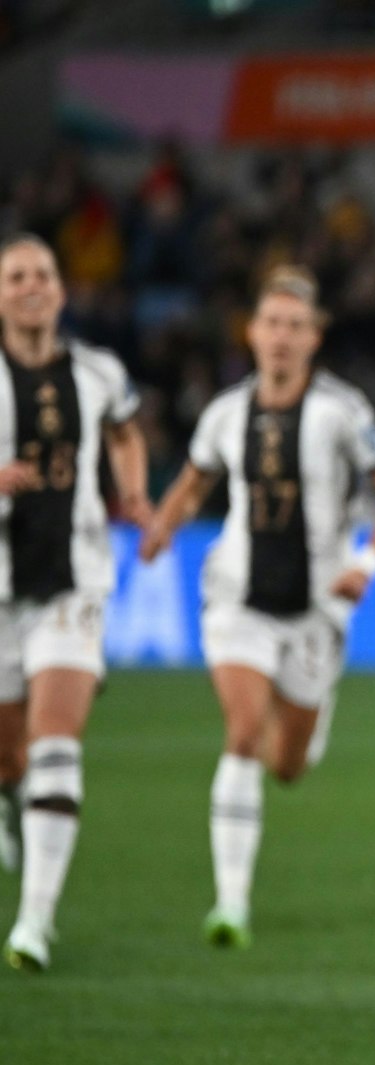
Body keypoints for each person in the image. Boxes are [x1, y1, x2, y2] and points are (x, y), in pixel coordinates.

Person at [139, 266, 375, 947]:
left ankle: (301, 723)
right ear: (252, 332)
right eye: (272, 324)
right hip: (236, 596)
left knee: (287, 766)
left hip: (316, 608)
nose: (282, 337)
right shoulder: (225, 413)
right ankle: (230, 905)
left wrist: (366, 565)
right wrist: (160, 527)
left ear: (315, 337)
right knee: (242, 733)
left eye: (296, 326)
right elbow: (194, 482)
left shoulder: (342, 411)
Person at [0, 233, 152, 972]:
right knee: (10, 754)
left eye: (43, 275)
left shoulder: (97, 371)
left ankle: (34, 923)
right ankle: (10, 797)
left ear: (61, 291)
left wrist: (135, 491)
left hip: (74, 580)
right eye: (16, 276)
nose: (32, 286)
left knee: (56, 741)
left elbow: (125, 434)